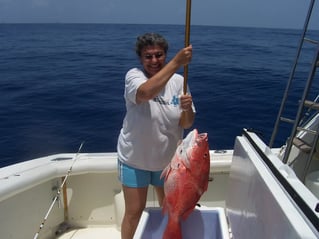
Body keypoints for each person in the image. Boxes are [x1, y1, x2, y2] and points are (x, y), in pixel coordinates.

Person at [117, 32, 195, 239]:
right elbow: (145, 94)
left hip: (168, 163)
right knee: (133, 213)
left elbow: (187, 123)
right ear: (141, 58)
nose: (154, 60)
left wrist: (187, 109)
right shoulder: (134, 76)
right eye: (148, 56)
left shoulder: (179, 82)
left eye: (159, 55)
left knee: (169, 209)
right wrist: (177, 62)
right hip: (135, 159)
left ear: (165, 55)